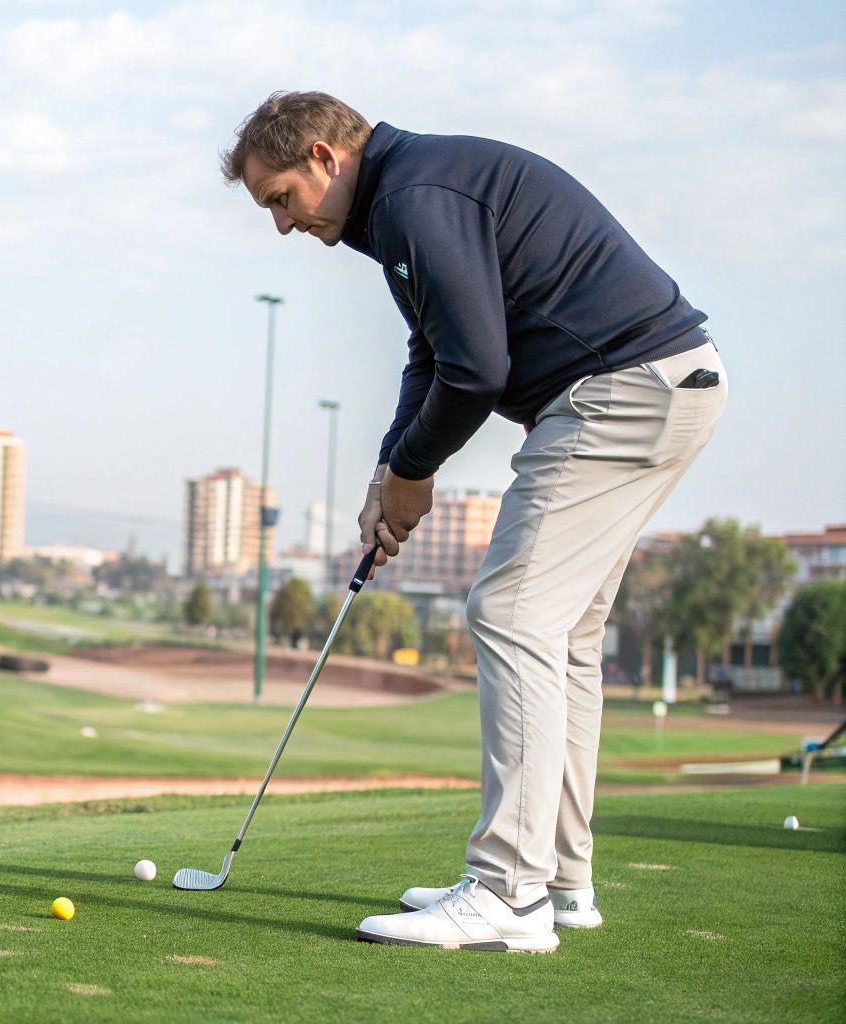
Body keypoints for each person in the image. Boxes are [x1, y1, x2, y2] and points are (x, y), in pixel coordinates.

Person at [223, 92, 726, 952]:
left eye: (281, 199)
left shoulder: (416, 197)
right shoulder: (403, 197)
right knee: (560, 637)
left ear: (322, 156)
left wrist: (416, 476)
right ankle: (560, 882)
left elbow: (477, 370)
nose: (282, 225)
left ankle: (508, 894)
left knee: (511, 612)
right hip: (656, 386)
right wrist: (392, 469)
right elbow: (433, 351)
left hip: (619, 390)